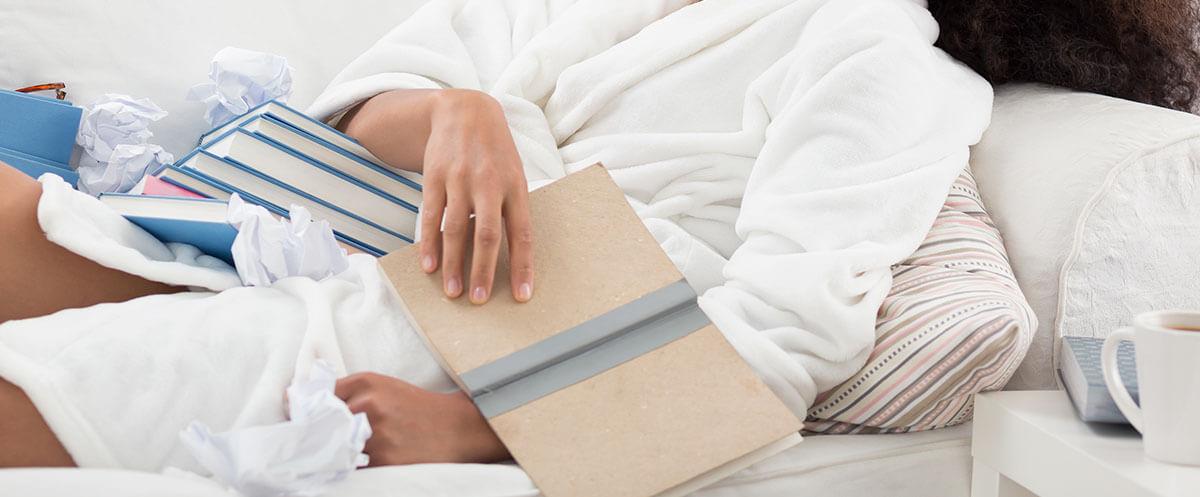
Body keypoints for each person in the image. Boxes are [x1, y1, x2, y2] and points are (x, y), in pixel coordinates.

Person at [0, 0, 1196, 471]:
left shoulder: (881, 65)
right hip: (342, 221)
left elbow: (784, 337)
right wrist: (464, 114)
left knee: (42, 392)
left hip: (494, 310)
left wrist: (483, 430)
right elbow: (382, 94)